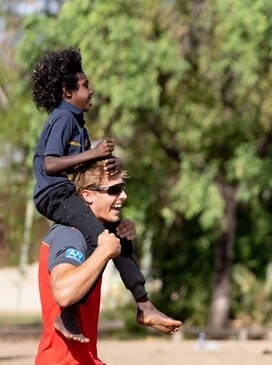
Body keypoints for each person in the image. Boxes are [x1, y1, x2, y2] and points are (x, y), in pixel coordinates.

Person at [31, 47, 179, 342]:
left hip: (68, 191)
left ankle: (143, 303)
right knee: (101, 241)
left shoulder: (79, 126)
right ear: (67, 91)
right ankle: (68, 314)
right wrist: (94, 151)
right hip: (54, 194)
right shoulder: (62, 118)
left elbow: (87, 168)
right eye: (85, 85)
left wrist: (110, 162)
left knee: (116, 238)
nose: (91, 90)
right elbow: (50, 163)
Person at [36, 160, 182, 364]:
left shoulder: (96, 235)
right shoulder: (69, 235)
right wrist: (104, 252)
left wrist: (120, 240)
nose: (123, 196)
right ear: (87, 195)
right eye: (114, 189)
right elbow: (63, 293)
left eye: (123, 188)